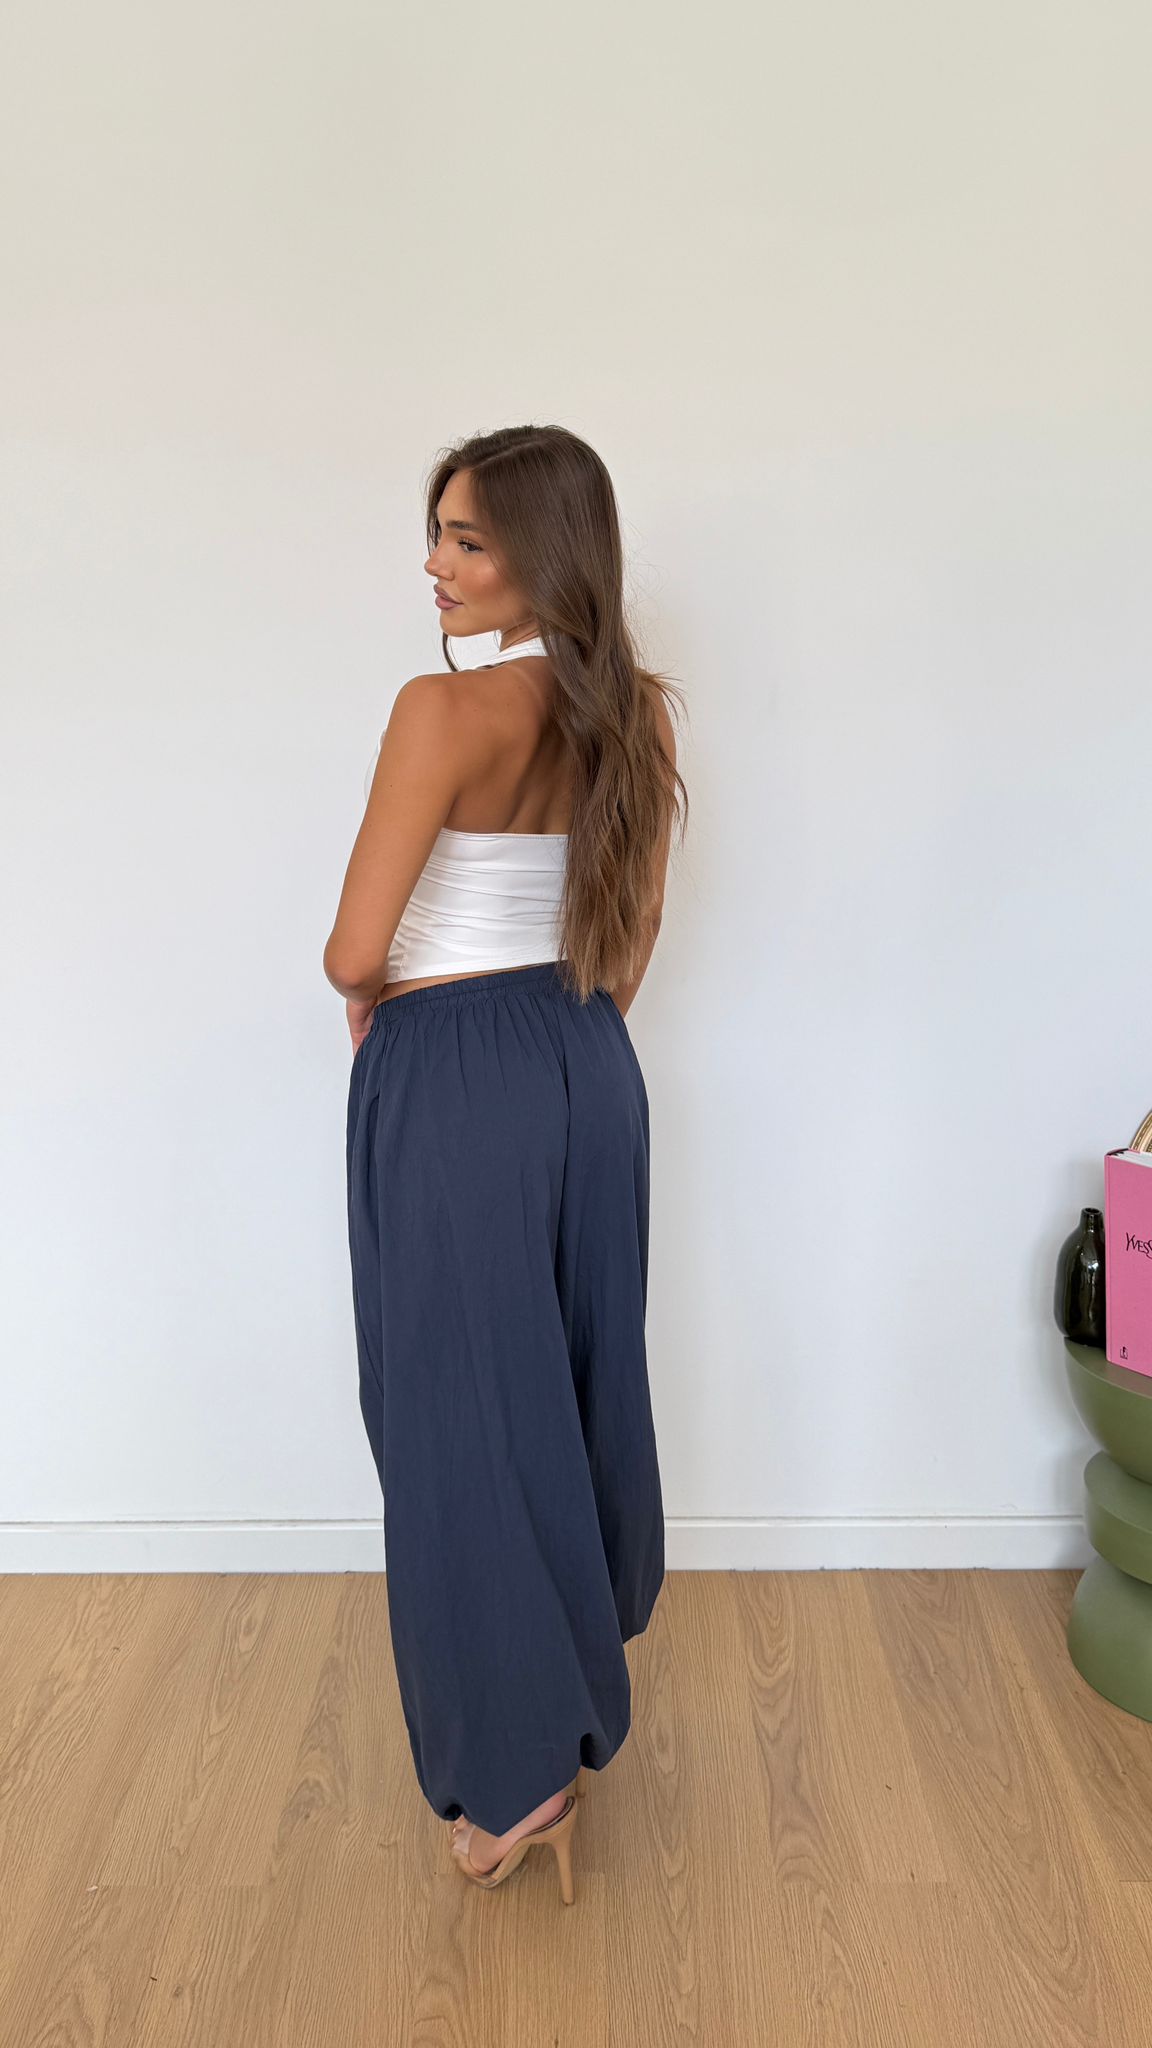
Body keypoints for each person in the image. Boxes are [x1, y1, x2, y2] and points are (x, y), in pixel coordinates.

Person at [324, 423, 687, 1902]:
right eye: (439, 534)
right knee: (573, 1377)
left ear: (543, 554)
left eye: (466, 540)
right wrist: (557, 1047)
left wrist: (379, 1002)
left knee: (462, 1412)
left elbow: (353, 947)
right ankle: (565, 1698)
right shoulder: (636, 716)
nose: (435, 564)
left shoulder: (440, 711)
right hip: (585, 1059)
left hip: (453, 1068)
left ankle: (523, 1772)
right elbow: (631, 941)